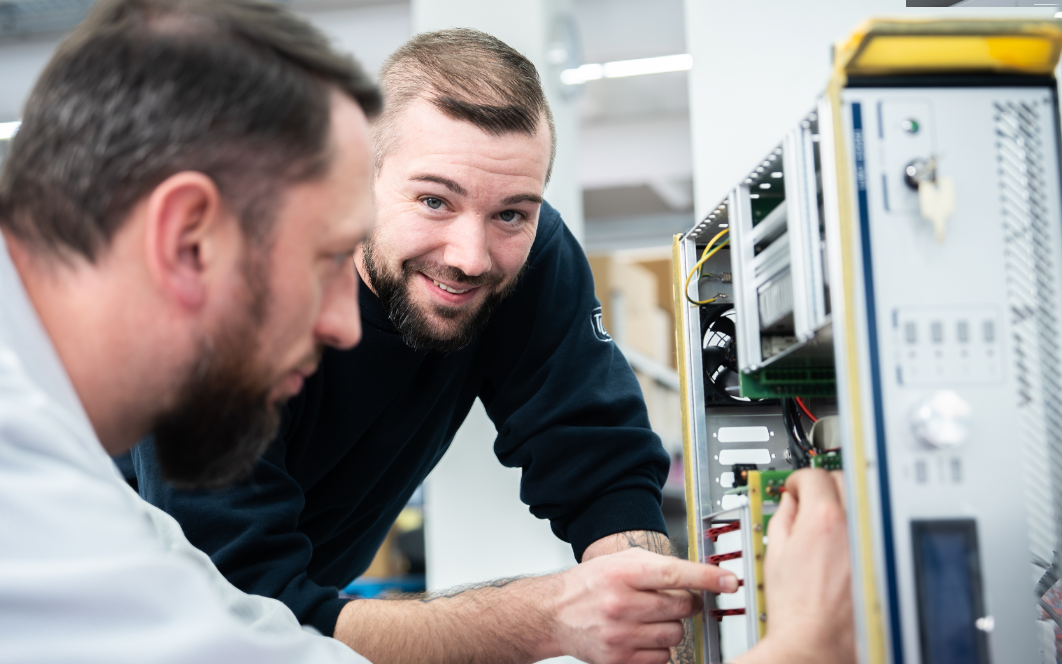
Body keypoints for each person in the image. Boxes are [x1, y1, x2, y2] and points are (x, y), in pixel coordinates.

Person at [0, 0, 745, 662]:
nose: (343, 326)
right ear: (187, 237)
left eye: (510, 214)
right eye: (327, 257)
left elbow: (241, 623)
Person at [128, 27, 852, 664]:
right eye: (434, 200)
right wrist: (549, 619)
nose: (471, 255)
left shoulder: (532, 255)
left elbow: (595, 456)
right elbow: (244, 617)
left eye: (510, 212)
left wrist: (645, 609)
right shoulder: (229, 298)